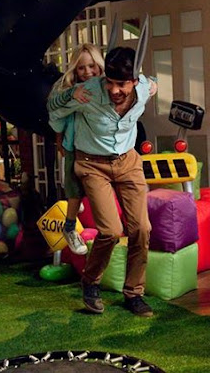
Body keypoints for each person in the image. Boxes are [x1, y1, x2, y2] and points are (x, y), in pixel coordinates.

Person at [48, 47, 157, 317]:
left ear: (135, 81)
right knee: (110, 231)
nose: (114, 90)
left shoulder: (144, 88)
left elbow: (153, 83)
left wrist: (153, 85)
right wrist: (69, 96)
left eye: (121, 84)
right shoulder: (88, 92)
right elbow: (53, 108)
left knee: (141, 229)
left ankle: (134, 293)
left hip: (128, 162)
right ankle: (90, 282)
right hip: (92, 164)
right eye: (110, 82)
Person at [49, 43, 105, 256]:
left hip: (100, 145)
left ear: (99, 65)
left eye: (92, 66)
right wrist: (72, 94)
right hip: (74, 144)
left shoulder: (106, 85)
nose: (87, 72)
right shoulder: (67, 87)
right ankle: (70, 226)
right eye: (81, 68)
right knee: (73, 186)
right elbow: (54, 111)